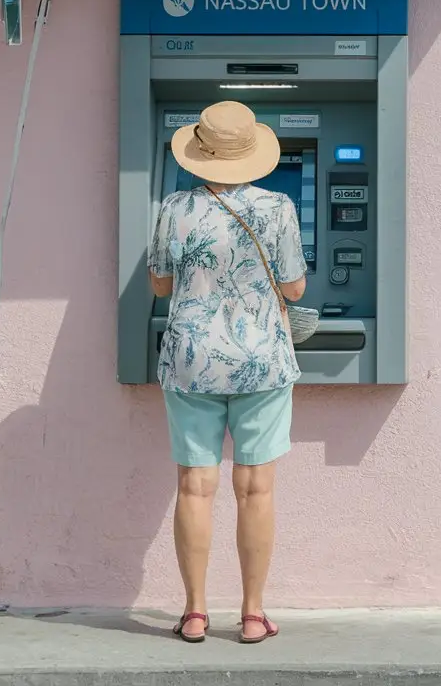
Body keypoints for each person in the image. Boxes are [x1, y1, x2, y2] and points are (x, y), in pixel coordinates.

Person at [148, 100, 307, 645]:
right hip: (260, 359)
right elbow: (293, 289)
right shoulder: (279, 206)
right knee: (255, 488)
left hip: (192, 361)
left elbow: (160, 285)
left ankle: (194, 613)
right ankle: (253, 614)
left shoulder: (174, 206)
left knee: (195, 487)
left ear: (200, 153)